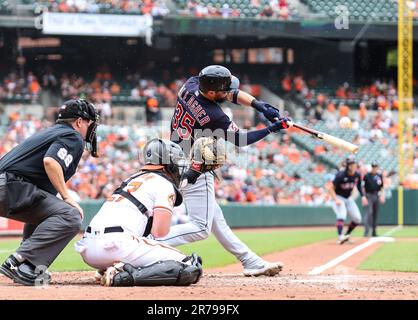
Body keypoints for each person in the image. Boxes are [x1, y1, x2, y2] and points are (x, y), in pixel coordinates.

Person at [156, 65, 290, 277]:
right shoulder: (214, 115)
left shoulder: (190, 85)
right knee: (201, 227)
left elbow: (231, 93)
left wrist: (260, 105)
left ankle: (250, 261)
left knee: (216, 218)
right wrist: (272, 128)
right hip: (195, 165)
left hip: (173, 156)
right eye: (222, 90)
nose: (228, 93)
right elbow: (242, 139)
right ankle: (147, 243)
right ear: (210, 92)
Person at [0, 99, 99, 286]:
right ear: (79, 121)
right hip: (8, 187)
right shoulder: (72, 136)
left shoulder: (51, 132)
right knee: (71, 215)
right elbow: (51, 161)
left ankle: (28, 265)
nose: (92, 128)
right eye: (90, 123)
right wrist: (67, 196)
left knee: (49, 210)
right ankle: (20, 261)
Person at [75, 139, 203, 287]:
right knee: (190, 266)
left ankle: (111, 269)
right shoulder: (164, 183)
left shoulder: (131, 179)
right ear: (166, 162)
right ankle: (122, 277)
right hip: (117, 246)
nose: (178, 166)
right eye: (175, 160)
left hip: (88, 250)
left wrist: (194, 173)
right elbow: (159, 232)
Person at [328, 155, 366, 244]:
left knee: (357, 218)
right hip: (338, 197)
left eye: (354, 164)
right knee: (342, 214)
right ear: (348, 166)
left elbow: (359, 186)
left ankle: (347, 235)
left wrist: (363, 196)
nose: (353, 166)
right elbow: (330, 188)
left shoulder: (357, 174)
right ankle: (340, 236)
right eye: (351, 164)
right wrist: (335, 199)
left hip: (348, 198)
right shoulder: (340, 175)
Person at [363, 161, 384, 237]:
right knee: (369, 212)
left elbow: (381, 187)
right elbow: (363, 187)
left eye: (376, 167)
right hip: (369, 195)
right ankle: (366, 231)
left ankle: (374, 231)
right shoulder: (367, 176)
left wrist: (382, 195)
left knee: (375, 213)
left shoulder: (379, 176)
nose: (374, 168)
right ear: (371, 167)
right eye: (373, 167)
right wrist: (364, 197)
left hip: (376, 195)